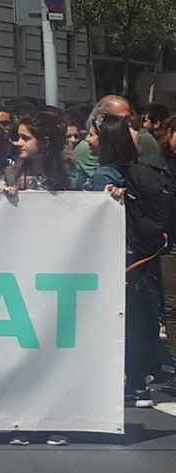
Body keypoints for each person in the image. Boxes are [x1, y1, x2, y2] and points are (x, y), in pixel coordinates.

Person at [91, 114, 172, 415]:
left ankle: (121, 381)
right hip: (141, 257)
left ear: (106, 140)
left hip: (115, 257)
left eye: (93, 135)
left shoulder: (104, 176)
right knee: (138, 317)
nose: (89, 140)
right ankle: (139, 379)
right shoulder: (143, 171)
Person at [2, 111, 79, 195]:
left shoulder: (69, 174)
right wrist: (2, 188)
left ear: (45, 142)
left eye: (25, 138)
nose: (18, 143)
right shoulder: (12, 174)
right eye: (19, 137)